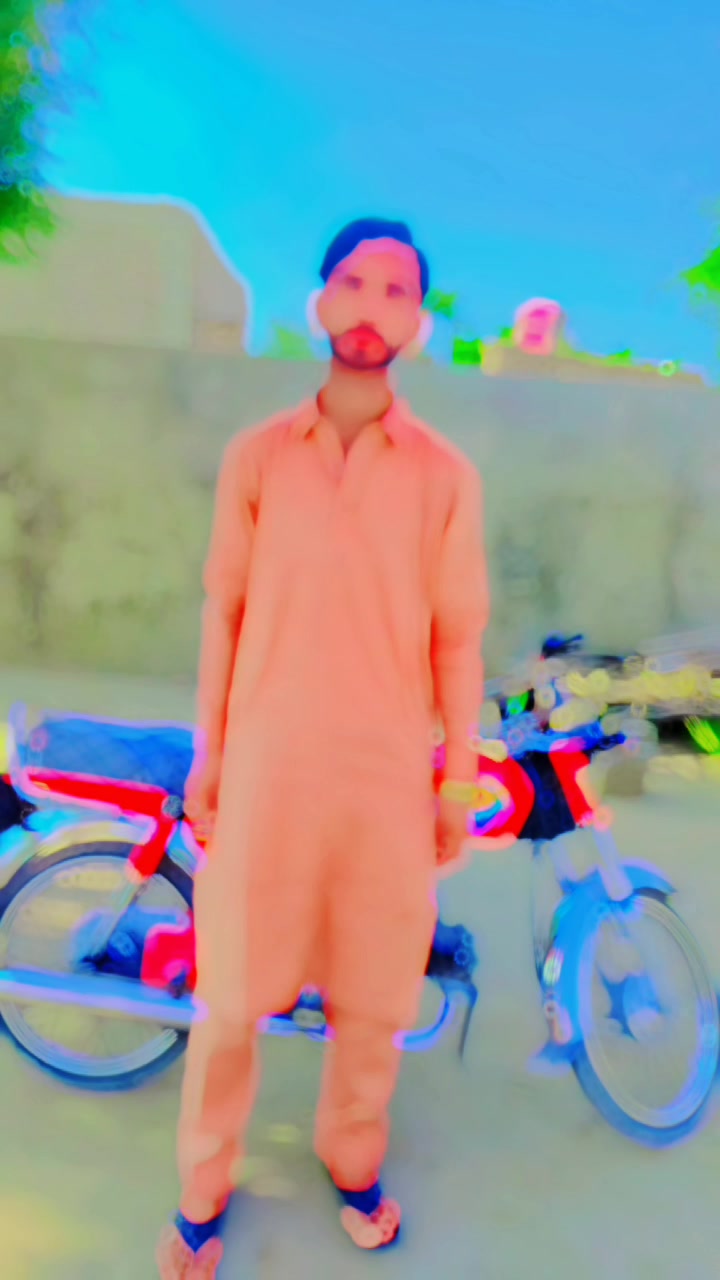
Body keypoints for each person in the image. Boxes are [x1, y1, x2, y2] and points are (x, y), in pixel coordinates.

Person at [156, 217, 489, 1278]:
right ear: (318, 301)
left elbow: (457, 639)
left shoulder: (444, 476)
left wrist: (456, 781)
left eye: (395, 290)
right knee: (232, 999)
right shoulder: (258, 458)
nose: (370, 306)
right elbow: (224, 610)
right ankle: (203, 1190)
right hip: (268, 770)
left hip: (385, 782)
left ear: (418, 322)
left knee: (373, 1000)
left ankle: (354, 1163)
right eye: (352, 281)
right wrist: (210, 752)